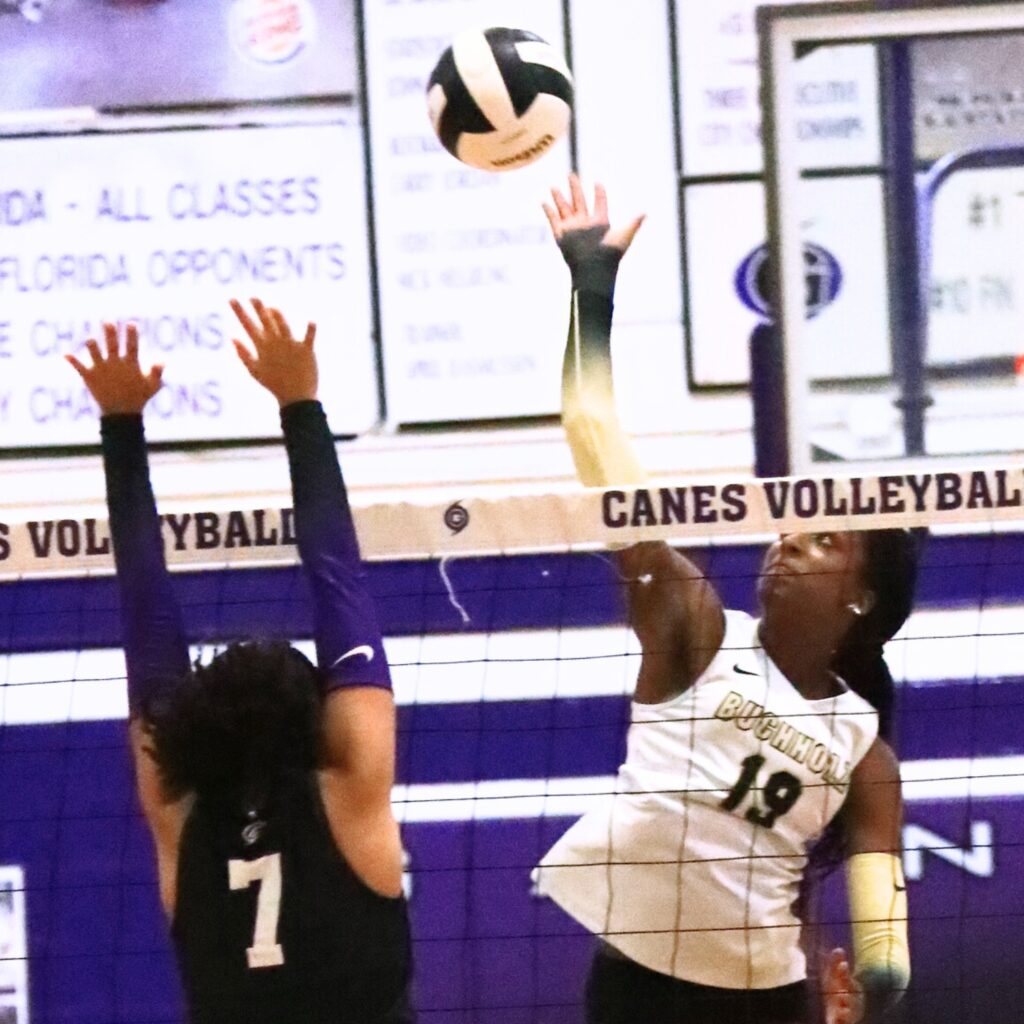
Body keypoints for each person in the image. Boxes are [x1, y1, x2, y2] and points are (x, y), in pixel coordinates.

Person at [532, 176, 914, 1024]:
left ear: (861, 597)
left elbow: (887, 952)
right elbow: (592, 432)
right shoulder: (695, 626)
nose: (790, 541)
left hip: (764, 1002)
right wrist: (592, 285)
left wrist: (868, 994)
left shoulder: (864, 754)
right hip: (634, 987)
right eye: (792, 528)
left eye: (827, 542)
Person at [67, 301, 413, 1024]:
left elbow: (145, 621)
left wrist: (120, 425)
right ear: (319, 723)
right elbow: (337, 577)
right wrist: (300, 402)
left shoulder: (182, 815)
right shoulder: (346, 794)